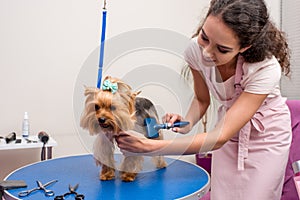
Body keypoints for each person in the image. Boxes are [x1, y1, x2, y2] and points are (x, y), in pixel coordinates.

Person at [116, 0, 292, 199]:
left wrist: (150, 148)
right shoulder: (195, 50)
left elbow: (219, 138)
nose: (207, 53)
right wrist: (186, 123)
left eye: (222, 49)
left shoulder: (265, 69)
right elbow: (201, 100)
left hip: (266, 137)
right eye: (204, 37)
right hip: (225, 134)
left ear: (245, 47)